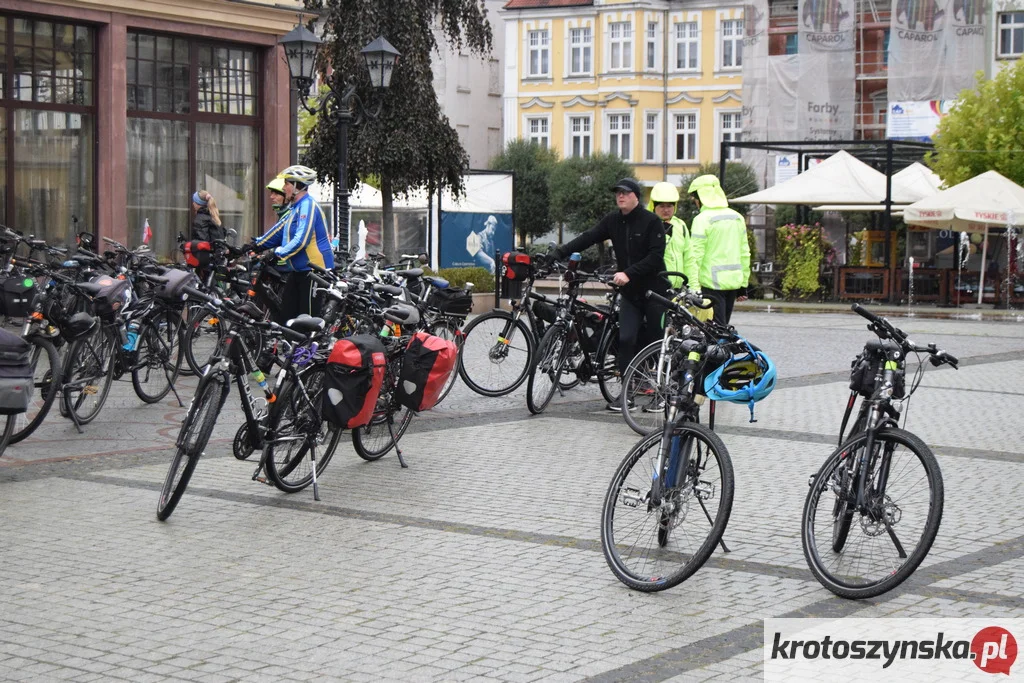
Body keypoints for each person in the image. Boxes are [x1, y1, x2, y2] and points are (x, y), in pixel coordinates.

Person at [552, 178, 668, 410]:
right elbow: (588, 237)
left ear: (636, 196)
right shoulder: (613, 221)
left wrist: (629, 273)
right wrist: (560, 252)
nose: (620, 196)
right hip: (630, 294)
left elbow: (656, 257)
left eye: (625, 192)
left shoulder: (652, 221)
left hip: (654, 291)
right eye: (617, 193)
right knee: (625, 340)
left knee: (655, 342)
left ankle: (660, 393)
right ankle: (627, 395)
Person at [250, 164, 334, 323]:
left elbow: (301, 240)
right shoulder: (296, 208)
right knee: (286, 316)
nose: (283, 187)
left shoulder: (308, 206)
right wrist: (255, 245)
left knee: (308, 321)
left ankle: (310, 348)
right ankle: (292, 347)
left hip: (314, 271)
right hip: (299, 270)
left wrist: (277, 253)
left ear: (297, 186)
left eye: (286, 184)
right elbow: (279, 231)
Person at [684, 174, 750, 325]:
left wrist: (693, 286)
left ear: (700, 198)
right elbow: (745, 253)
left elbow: (695, 256)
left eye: (695, 199)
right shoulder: (737, 218)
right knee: (723, 329)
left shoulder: (702, 219)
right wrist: (743, 285)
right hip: (733, 283)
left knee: (712, 331)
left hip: (710, 284)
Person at [646, 182, 689, 289]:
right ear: (654, 206)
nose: (666, 210)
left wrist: (692, 287)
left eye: (669, 206)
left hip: (679, 289)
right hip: (656, 289)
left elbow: (689, 258)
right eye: (662, 206)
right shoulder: (645, 224)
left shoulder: (681, 225)